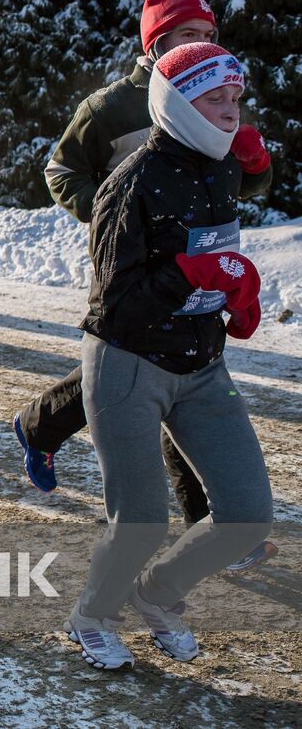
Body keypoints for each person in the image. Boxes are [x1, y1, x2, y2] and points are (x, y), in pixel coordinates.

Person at [16, 0, 276, 569]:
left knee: (161, 375)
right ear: (155, 41)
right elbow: (62, 169)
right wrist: (110, 213)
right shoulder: (112, 107)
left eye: (209, 36)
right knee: (138, 368)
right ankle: (206, 519)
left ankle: (40, 425)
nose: (203, 46)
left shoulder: (212, 88)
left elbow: (229, 183)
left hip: (197, 264)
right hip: (133, 258)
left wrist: (256, 168)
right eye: (188, 36)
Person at [63, 41, 273, 671]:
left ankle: (156, 595)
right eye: (216, 98)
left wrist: (235, 290)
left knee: (247, 517)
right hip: (128, 363)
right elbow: (116, 304)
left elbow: (213, 256)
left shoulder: (222, 166)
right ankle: (91, 615)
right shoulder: (129, 185)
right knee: (142, 522)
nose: (231, 111)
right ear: (178, 101)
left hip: (202, 368)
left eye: (235, 98)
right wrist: (192, 274)